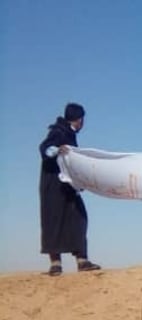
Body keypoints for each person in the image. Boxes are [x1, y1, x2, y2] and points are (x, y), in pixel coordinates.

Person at [39, 102, 98, 276]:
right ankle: (55, 264)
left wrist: (81, 181)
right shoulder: (59, 131)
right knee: (53, 220)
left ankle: (82, 260)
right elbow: (44, 148)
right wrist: (57, 150)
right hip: (53, 184)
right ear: (79, 120)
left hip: (68, 186)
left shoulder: (69, 133)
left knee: (78, 217)